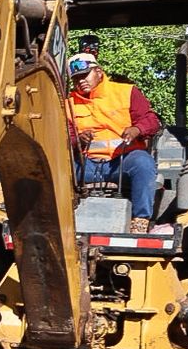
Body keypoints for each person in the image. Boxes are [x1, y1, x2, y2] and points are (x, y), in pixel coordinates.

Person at [68, 50, 161, 233]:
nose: (81, 81)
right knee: (57, 170)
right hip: (87, 165)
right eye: (76, 78)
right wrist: (77, 140)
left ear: (98, 71)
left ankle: (140, 221)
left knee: (143, 163)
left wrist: (136, 129)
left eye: (85, 75)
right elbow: (66, 135)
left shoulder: (126, 92)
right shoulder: (68, 103)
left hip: (122, 161)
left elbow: (151, 121)